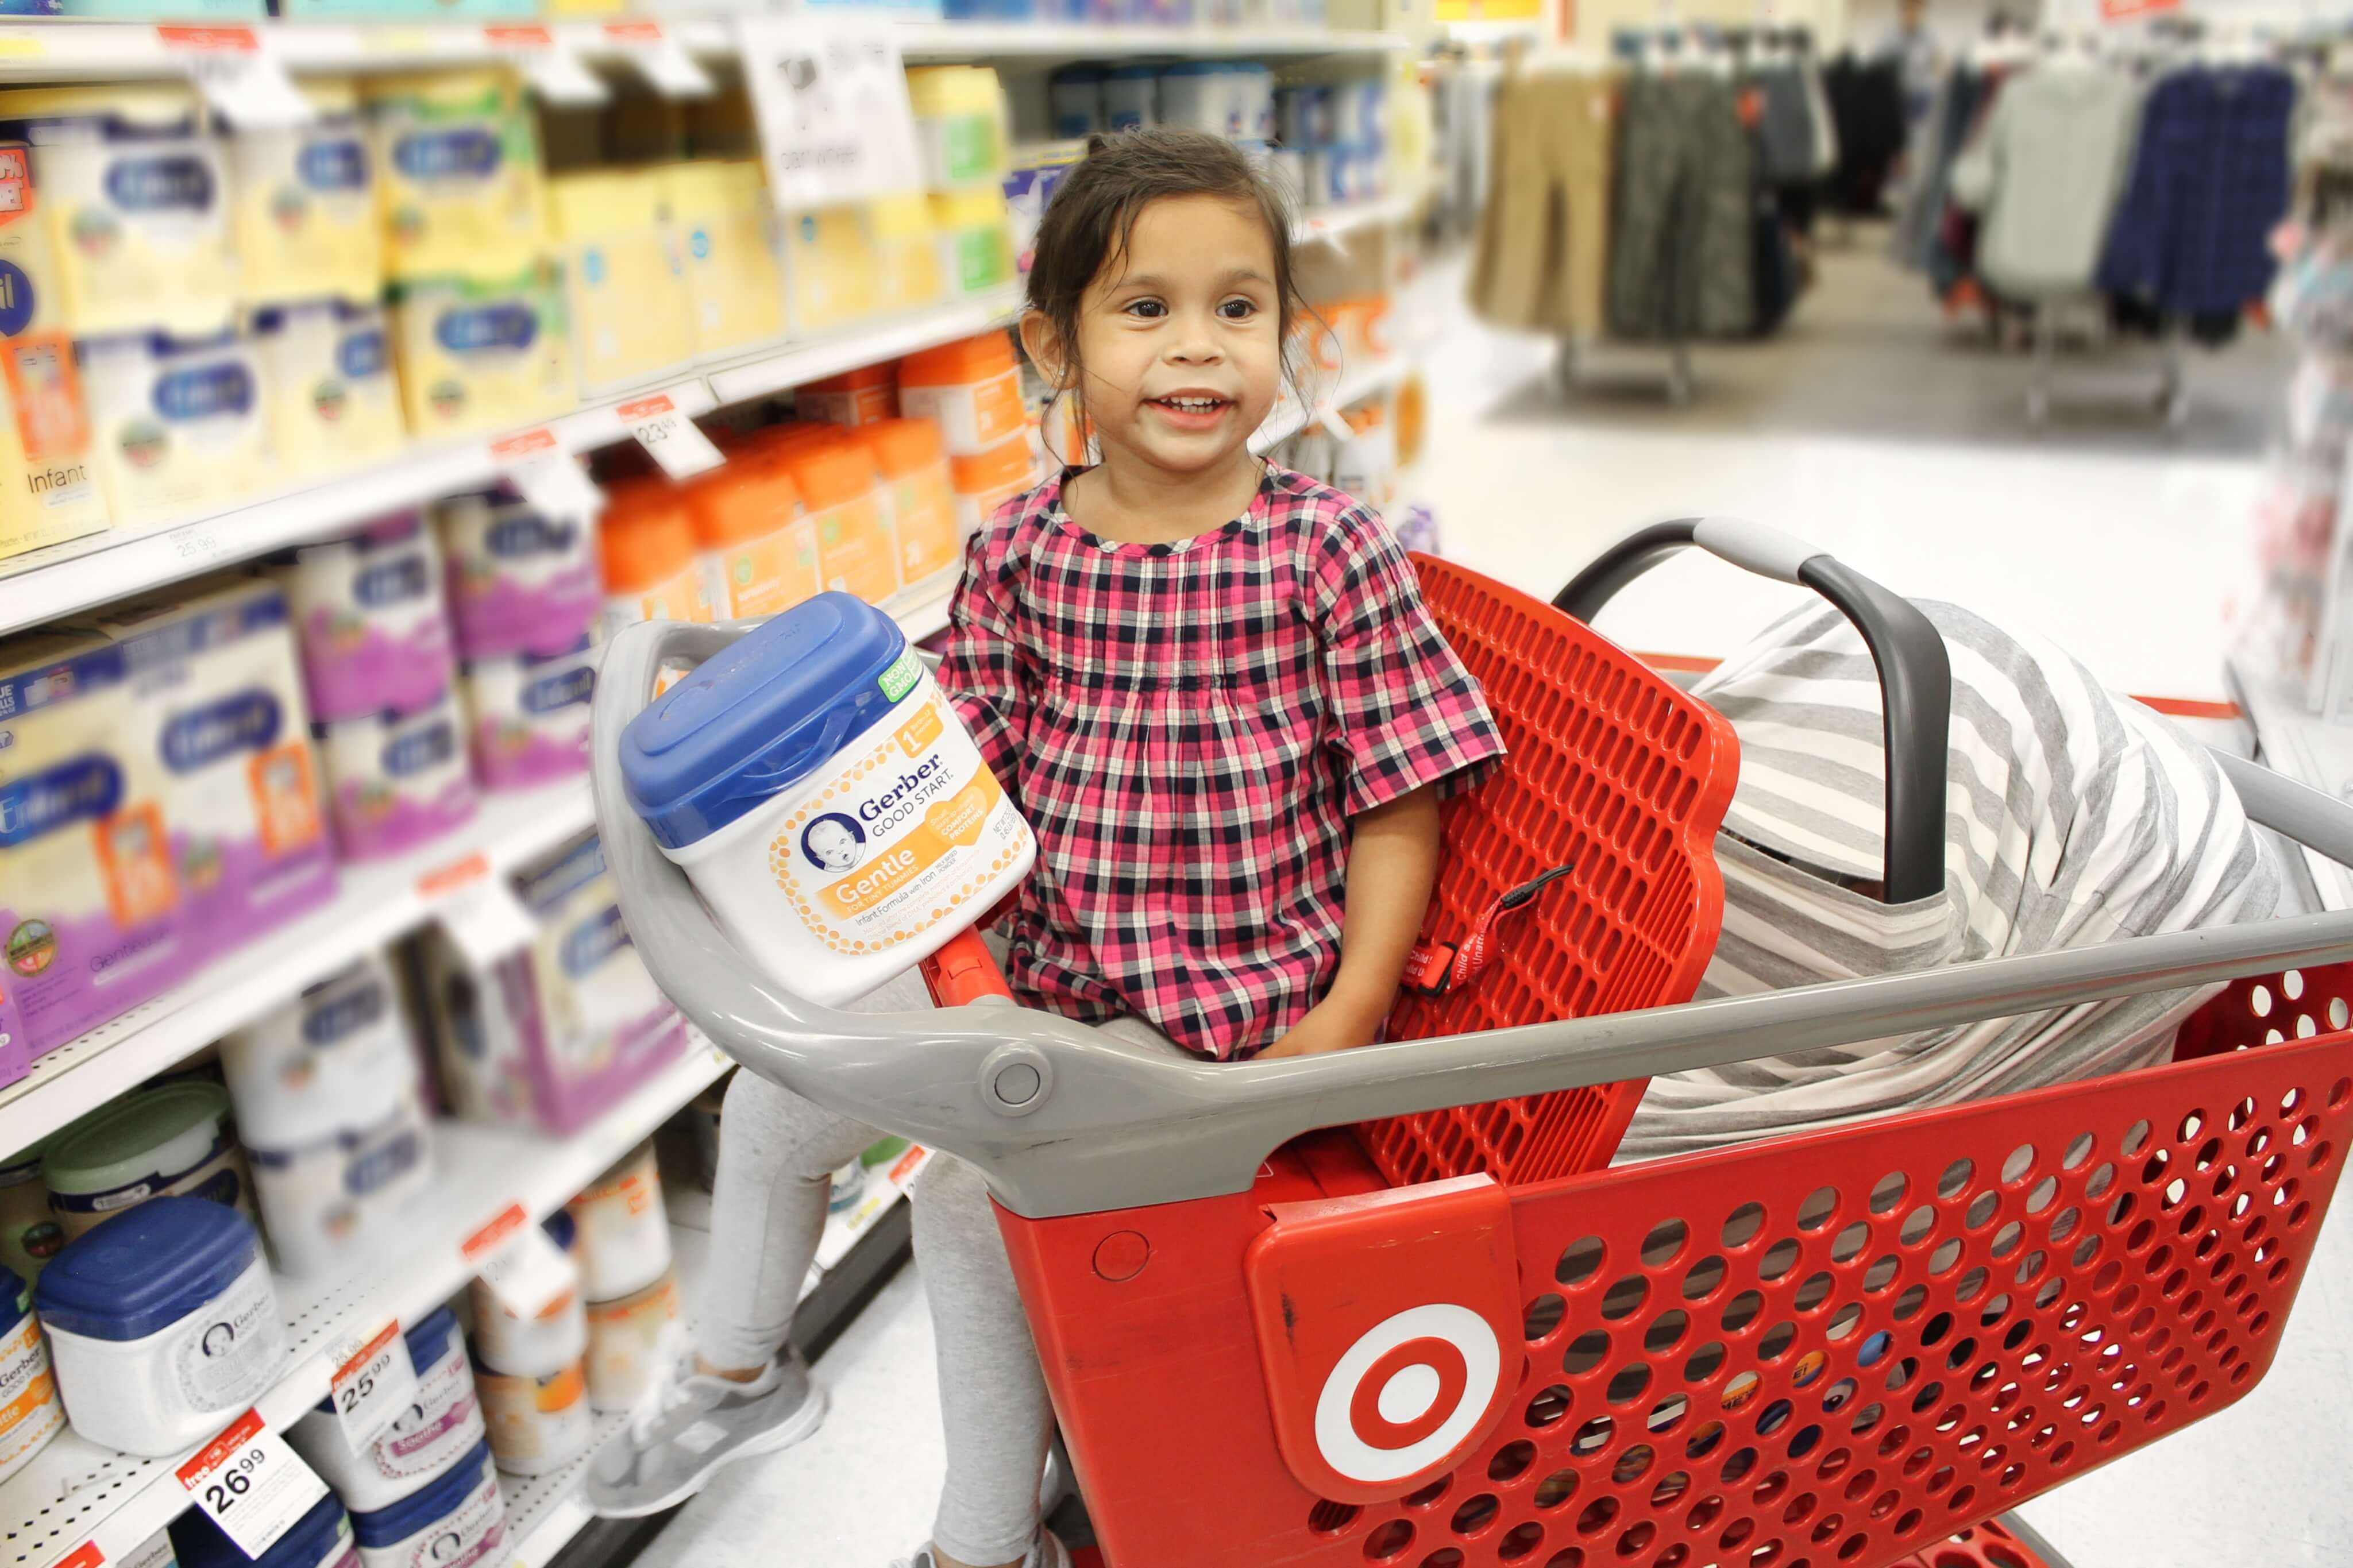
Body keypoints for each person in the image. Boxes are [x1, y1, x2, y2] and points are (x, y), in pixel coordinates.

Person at [584, 128, 1505, 1568]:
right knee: (778, 1097)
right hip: (1043, 973)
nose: (1195, 349)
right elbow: (961, 766)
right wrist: (806, 800)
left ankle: (981, 1541)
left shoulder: (1328, 550)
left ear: (1282, 331)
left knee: (968, 1204)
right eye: (1144, 309)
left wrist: (1350, 1020)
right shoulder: (1020, 548)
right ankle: (740, 1376)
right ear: (1054, 343)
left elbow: (1403, 797)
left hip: (1219, 1017)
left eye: (1236, 307)